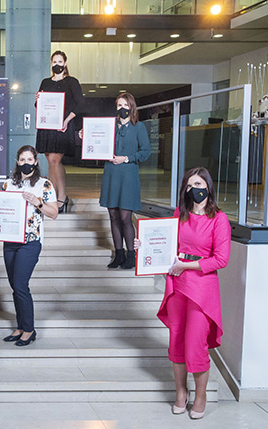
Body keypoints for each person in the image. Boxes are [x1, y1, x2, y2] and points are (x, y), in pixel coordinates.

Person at [136, 167, 230, 420]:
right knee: (176, 339)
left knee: (195, 343)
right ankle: (181, 392)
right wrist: (145, 244)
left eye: (198, 184)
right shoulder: (181, 214)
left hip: (201, 286)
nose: (193, 189)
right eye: (189, 185)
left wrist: (185, 265)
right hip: (177, 283)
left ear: (208, 187)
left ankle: (201, 395)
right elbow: (167, 245)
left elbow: (221, 259)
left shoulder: (219, 219)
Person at [0, 146, 58, 347]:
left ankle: (29, 329)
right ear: (17, 162)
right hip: (10, 241)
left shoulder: (45, 185)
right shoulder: (8, 184)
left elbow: (54, 213)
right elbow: (1, 211)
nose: (25, 163)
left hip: (30, 242)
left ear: (36, 161)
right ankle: (21, 326)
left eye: (29, 159)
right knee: (15, 286)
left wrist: (37, 202)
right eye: (22, 159)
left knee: (21, 285)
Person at [91, 92, 151, 269]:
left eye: (125, 105)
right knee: (113, 214)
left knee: (125, 216)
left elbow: (146, 151)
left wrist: (126, 158)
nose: (122, 108)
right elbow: (97, 143)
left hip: (128, 174)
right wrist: (85, 135)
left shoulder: (138, 127)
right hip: (111, 173)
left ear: (131, 107)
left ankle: (131, 254)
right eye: (119, 105)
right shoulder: (110, 126)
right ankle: (118, 254)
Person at [35, 50, 84, 213]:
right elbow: (40, 107)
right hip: (47, 127)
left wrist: (66, 121)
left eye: (60, 62)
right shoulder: (45, 82)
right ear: (51, 64)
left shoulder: (72, 82)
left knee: (55, 160)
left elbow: (79, 104)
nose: (57, 65)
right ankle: (54, 198)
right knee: (51, 162)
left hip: (63, 126)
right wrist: (37, 100)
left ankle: (60, 198)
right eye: (54, 62)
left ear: (65, 63)